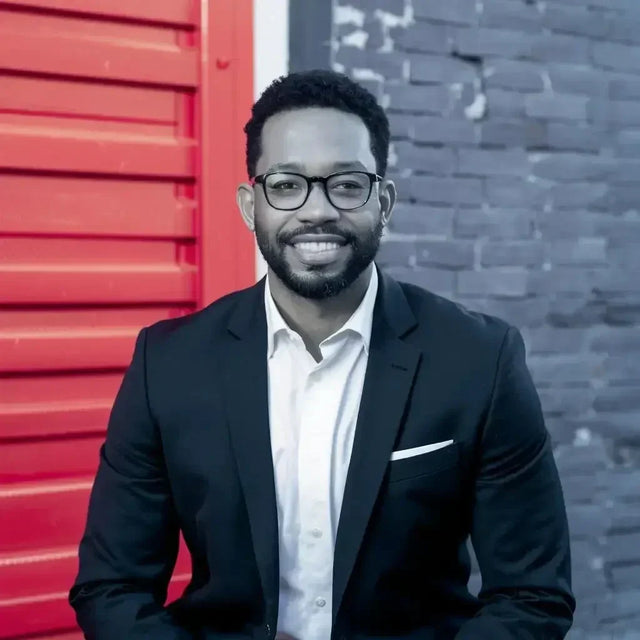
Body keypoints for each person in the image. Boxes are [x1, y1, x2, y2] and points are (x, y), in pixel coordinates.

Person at [70, 70, 575, 640]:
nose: (316, 211)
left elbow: (532, 596)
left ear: (383, 201)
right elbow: (112, 589)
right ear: (249, 204)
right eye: (286, 184)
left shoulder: (480, 360)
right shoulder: (167, 364)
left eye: (346, 184)